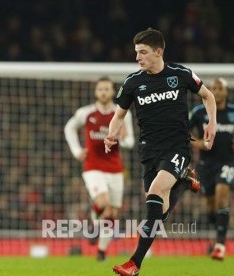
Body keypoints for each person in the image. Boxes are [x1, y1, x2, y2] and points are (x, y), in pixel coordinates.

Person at [104, 28, 217, 276]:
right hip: (149, 152)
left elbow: (208, 97)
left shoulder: (180, 74)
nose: (138, 58)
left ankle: (134, 263)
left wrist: (211, 123)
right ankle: (186, 181)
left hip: (177, 148)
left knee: (156, 191)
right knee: (159, 210)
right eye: (136, 53)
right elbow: (118, 115)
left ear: (158, 52)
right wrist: (112, 134)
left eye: (143, 52)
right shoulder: (133, 82)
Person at [64, 77, 135, 261]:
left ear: (113, 92)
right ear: (96, 92)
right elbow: (69, 128)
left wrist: (121, 138)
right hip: (93, 167)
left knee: (111, 213)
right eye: (100, 89)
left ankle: (101, 252)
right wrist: (76, 150)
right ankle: (93, 226)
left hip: (115, 169)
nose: (103, 92)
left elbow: (130, 142)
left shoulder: (121, 114)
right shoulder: (85, 113)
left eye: (107, 89)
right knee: (102, 202)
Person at [189, 77, 232, 260]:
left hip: (228, 163)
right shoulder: (199, 111)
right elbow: (183, 131)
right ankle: (217, 235)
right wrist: (198, 144)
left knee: (223, 196)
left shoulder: (232, 112)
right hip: (206, 166)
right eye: (213, 87)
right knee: (211, 207)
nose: (216, 90)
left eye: (220, 87)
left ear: (226, 91)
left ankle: (220, 245)